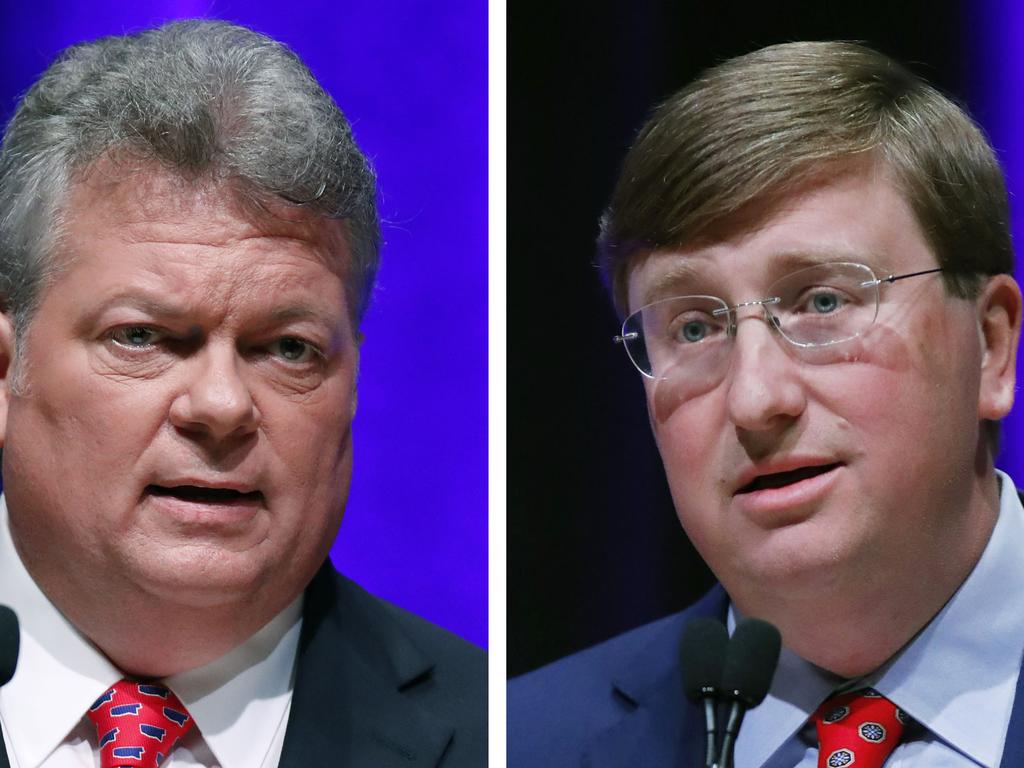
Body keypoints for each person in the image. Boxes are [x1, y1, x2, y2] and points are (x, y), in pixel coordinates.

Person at [508, 40, 1024, 767]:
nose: (755, 400)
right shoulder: (524, 742)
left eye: (822, 301)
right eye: (694, 327)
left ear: (991, 347)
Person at [0, 19, 485, 768]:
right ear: (7, 369)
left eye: (287, 348)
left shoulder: (498, 733)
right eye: (146, 337)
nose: (223, 406)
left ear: (353, 382)